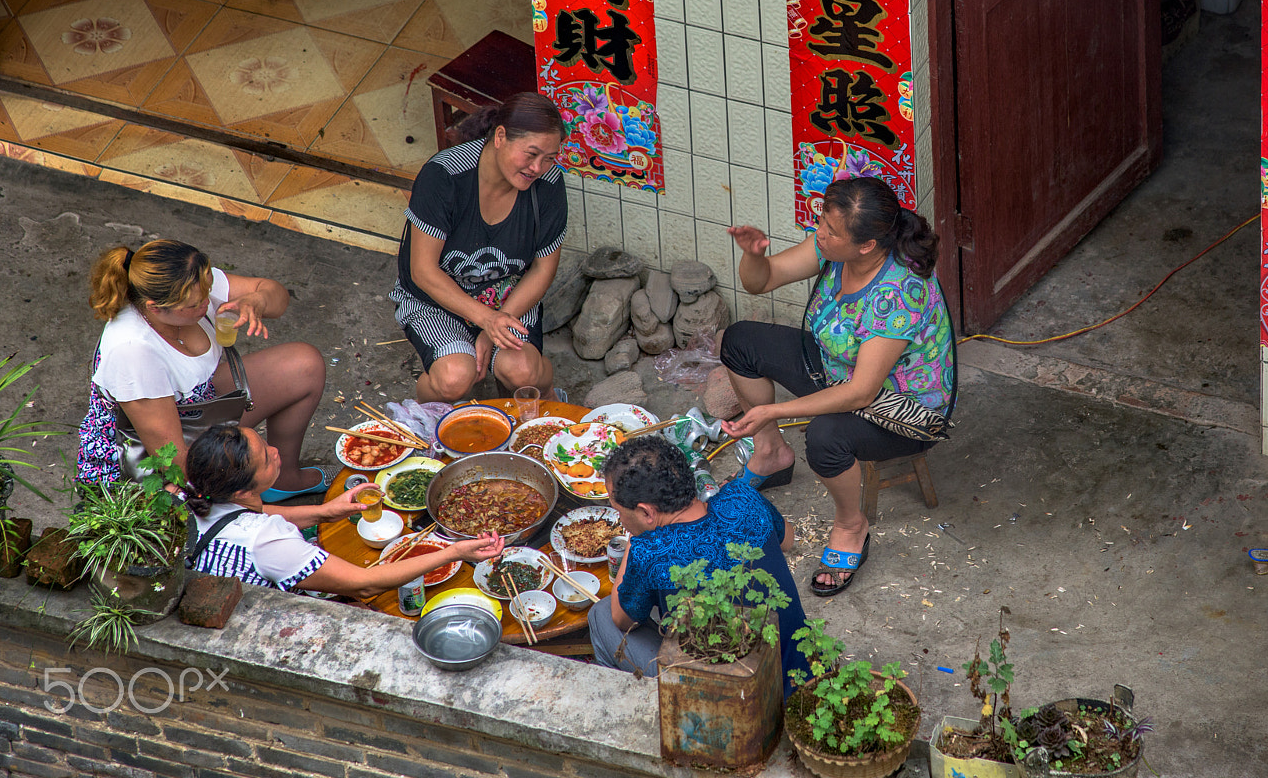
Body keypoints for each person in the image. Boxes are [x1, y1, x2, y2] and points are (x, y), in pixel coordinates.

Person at [720, 177, 955, 597]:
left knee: (825, 436)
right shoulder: (833, 247)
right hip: (836, 368)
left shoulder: (900, 292)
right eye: (821, 222)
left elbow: (862, 393)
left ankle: (851, 526)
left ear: (865, 246)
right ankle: (771, 453)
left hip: (902, 409)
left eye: (829, 230)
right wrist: (755, 256)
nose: (819, 235)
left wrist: (772, 411)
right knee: (739, 342)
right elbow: (762, 280)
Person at [76, 239, 328, 500]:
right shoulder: (132, 352)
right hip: (151, 459)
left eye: (207, 293)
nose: (207, 304)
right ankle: (257, 488)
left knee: (303, 365)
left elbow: (275, 294)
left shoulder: (192, 282)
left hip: (198, 407)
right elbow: (174, 465)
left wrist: (257, 301)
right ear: (155, 308)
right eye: (195, 305)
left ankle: (283, 477)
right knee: (220, 496)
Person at [181, 422, 504, 597]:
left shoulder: (192, 491)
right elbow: (365, 583)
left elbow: (249, 518)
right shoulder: (268, 541)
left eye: (266, 443)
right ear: (241, 489)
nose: (277, 451)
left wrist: (325, 512)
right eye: (266, 457)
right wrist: (454, 552)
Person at [587, 436, 807, 690]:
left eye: (620, 512)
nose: (621, 521)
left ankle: (642, 703)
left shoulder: (650, 550)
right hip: (797, 669)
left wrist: (636, 541)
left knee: (601, 614)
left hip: (732, 699)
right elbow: (787, 539)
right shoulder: (743, 498)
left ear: (647, 512)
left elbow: (621, 620)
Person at [391, 93, 568, 404]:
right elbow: (422, 270)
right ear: (500, 136)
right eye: (531, 154)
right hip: (437, 298)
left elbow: (543, 269)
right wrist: (486, 320)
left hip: (507, 295)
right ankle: (422, 410)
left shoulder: (549, 184)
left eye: (550, 157)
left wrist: (497, 322)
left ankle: (549, 393)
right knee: (455, 377)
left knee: (523, 370)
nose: (538, 167)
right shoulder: (445, 176)